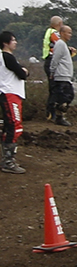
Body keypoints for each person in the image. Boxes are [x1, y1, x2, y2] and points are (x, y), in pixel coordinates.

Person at [1, 30, 30, 174]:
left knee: (9, 125)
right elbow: (21, 74)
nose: (15, 42)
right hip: (10, 93)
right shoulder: (7, 57)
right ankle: (8, 161)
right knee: (14, 125)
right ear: (5, 43)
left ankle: (7, 159)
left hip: (11, 93)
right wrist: (24, 71)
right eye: (13, 40)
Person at [49, 25, 76, 127]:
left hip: (66, 75)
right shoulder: (60, 44)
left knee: (67, 96)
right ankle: (59, 116)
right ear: (62, 33)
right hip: (61, 75)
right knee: (65, 96)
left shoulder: (64, 45)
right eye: (68, 32)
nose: (70, 35)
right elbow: (55, 59)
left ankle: (59, 115)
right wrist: (52, 71)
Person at [42, 16, 61, 120]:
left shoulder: (48, 31)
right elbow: (60, 45)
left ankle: (51, 112)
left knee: (53, 88)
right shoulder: (54, 33)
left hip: (48, 61)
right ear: (59, 24)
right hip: (51, 61)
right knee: (55, 88)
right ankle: (51, 112)